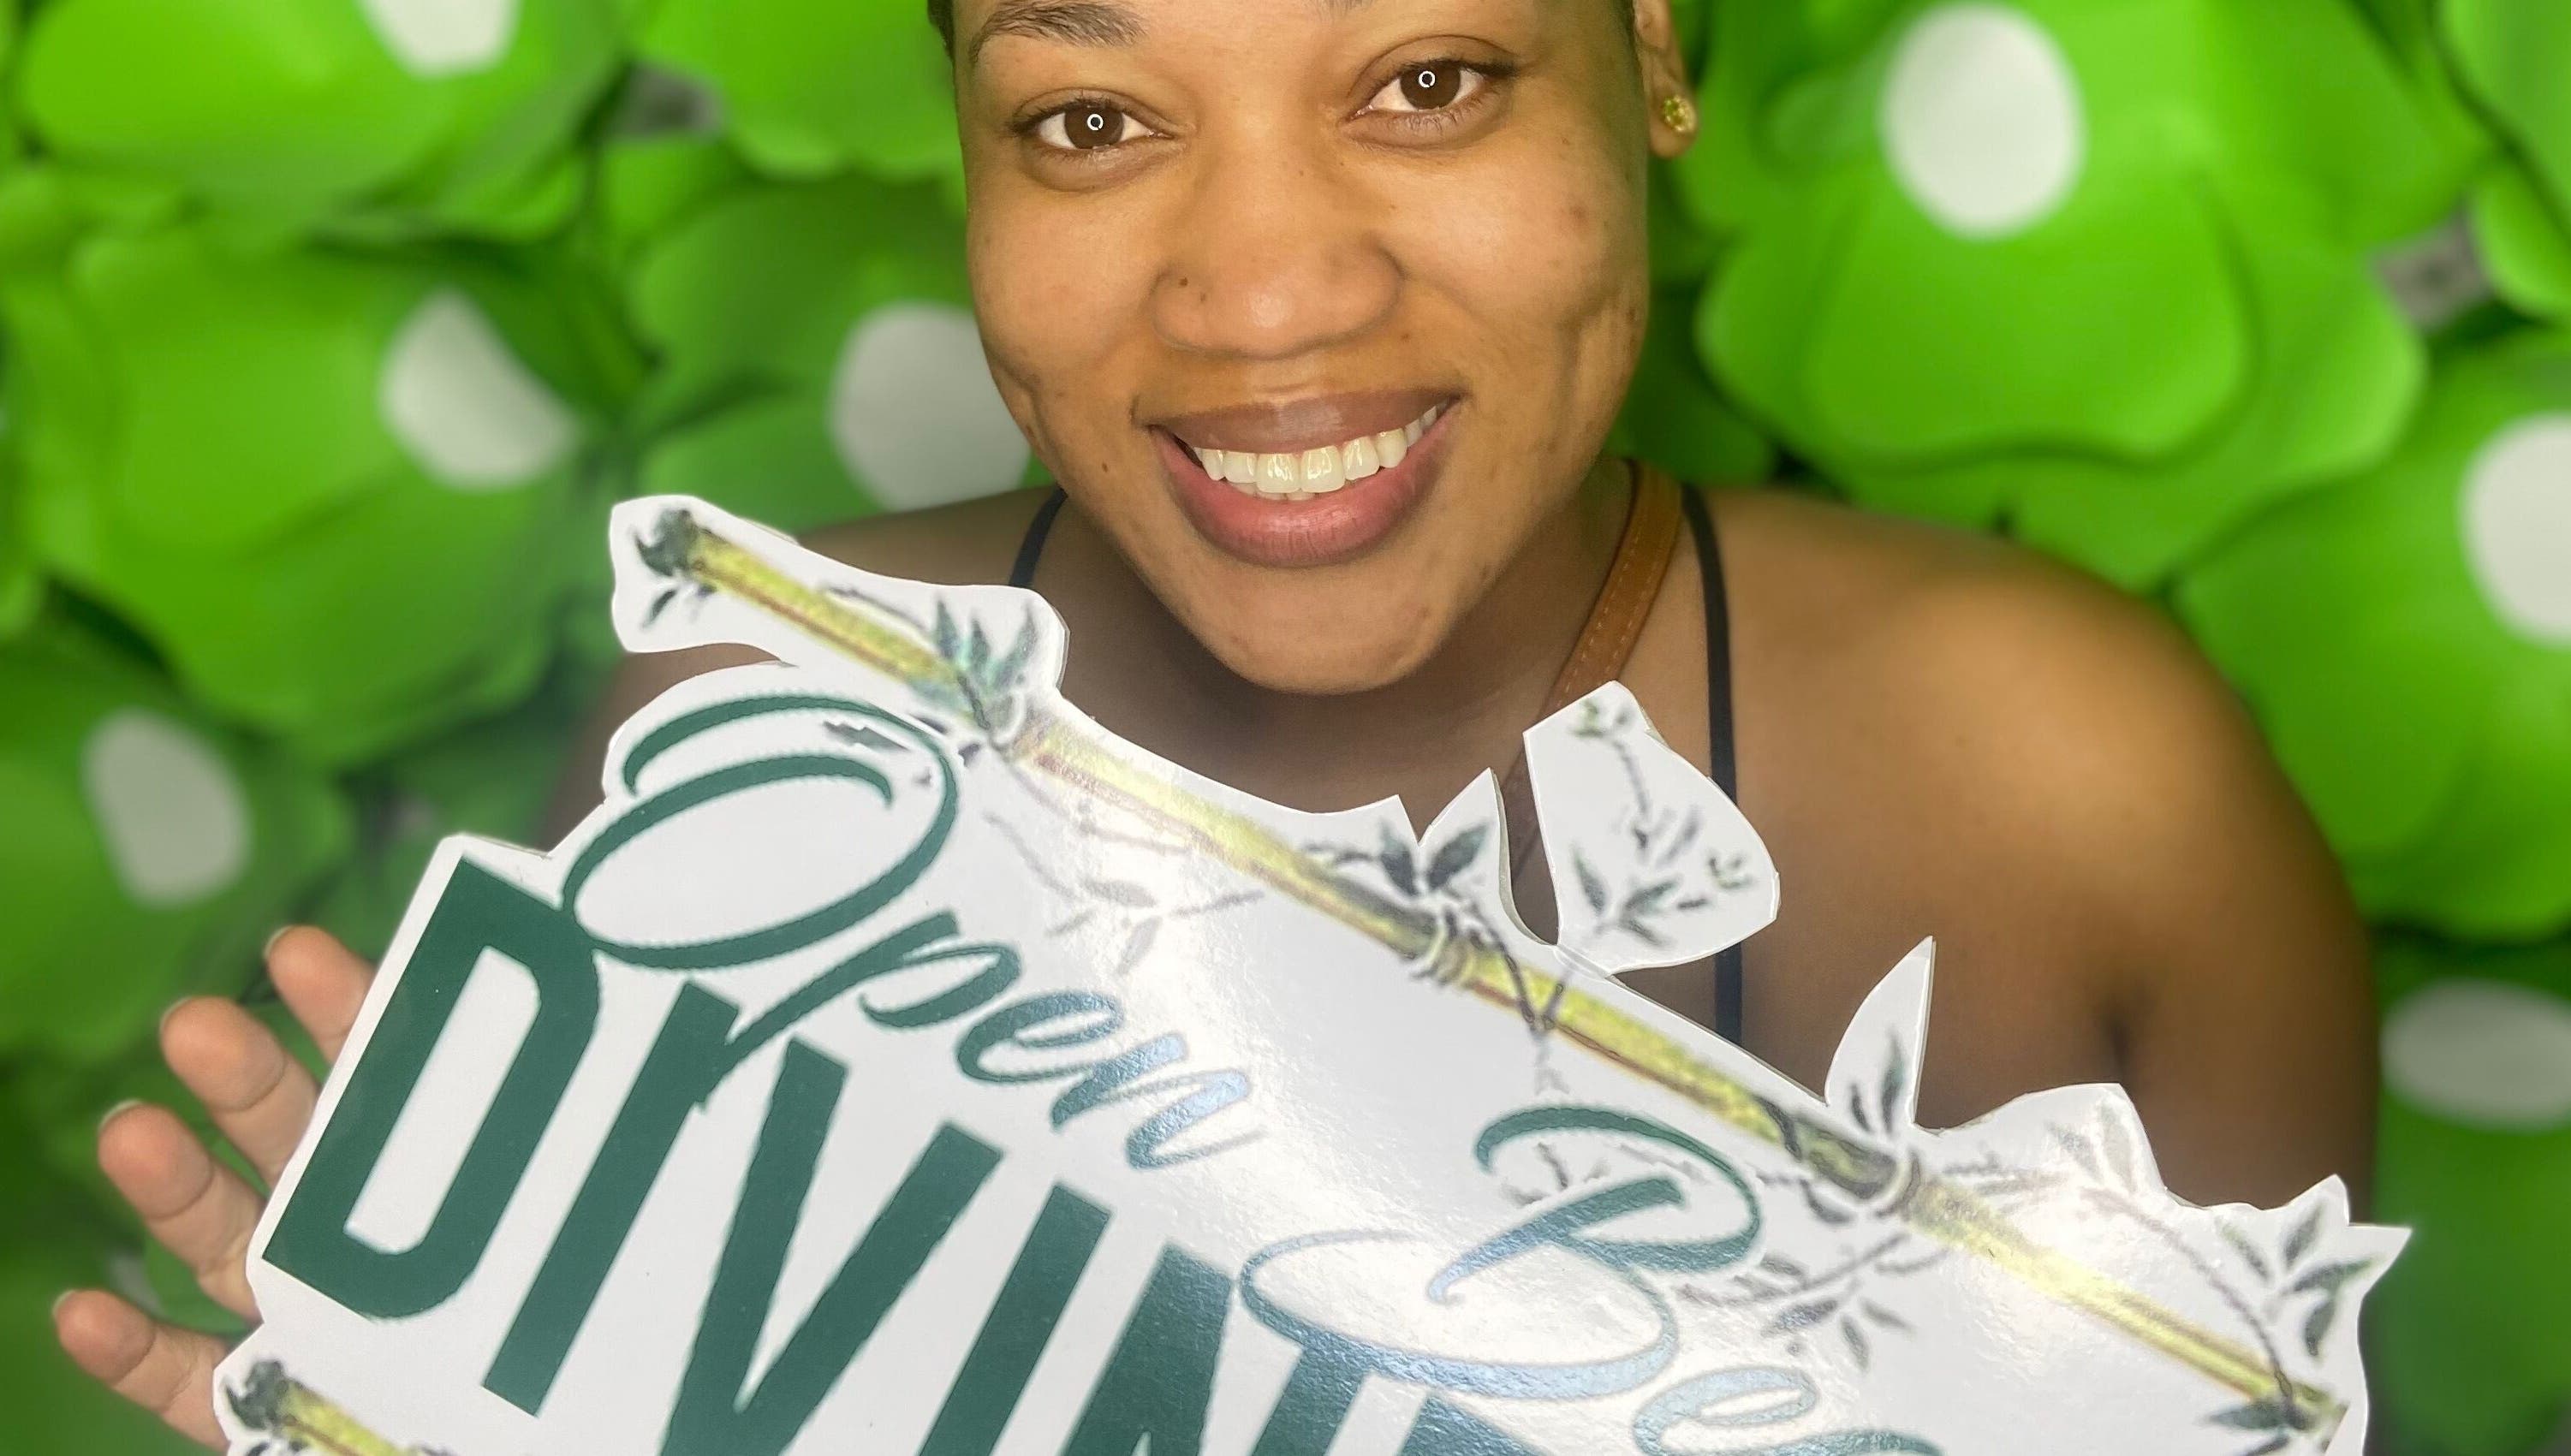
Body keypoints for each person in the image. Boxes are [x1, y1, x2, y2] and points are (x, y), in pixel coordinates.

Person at [54, 0, 2378, 1442]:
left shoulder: (2076, 796)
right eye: (1088, 118)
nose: (1267, 294)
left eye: (1428, 84)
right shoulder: (761, 712)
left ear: (1655, 54)